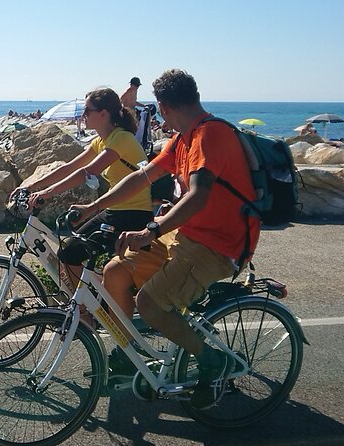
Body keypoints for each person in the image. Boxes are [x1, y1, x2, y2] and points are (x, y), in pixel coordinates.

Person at [73, 69, 260, 410]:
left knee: (150, 303)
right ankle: (130, 353)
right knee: (115, 272)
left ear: (162, 107)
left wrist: (151, 231)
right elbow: (143, 176)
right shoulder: (183, 139)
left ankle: (210, 360)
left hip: (217, 245)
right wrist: (93, 205)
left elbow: (199, 196)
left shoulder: (210, 135)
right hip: (186, 234)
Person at [10, 87, 154, 303]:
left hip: (132, 216)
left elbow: (87, 172)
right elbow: (69, 167)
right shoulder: (101, 141)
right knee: (70, 251)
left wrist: (47, 193)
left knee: (69, 255)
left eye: (87, 111)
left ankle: (85, 313)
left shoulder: (121, 139)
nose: (82, 115)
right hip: (115, 211)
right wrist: (31, 187)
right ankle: (94, 300)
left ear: (103, 113)